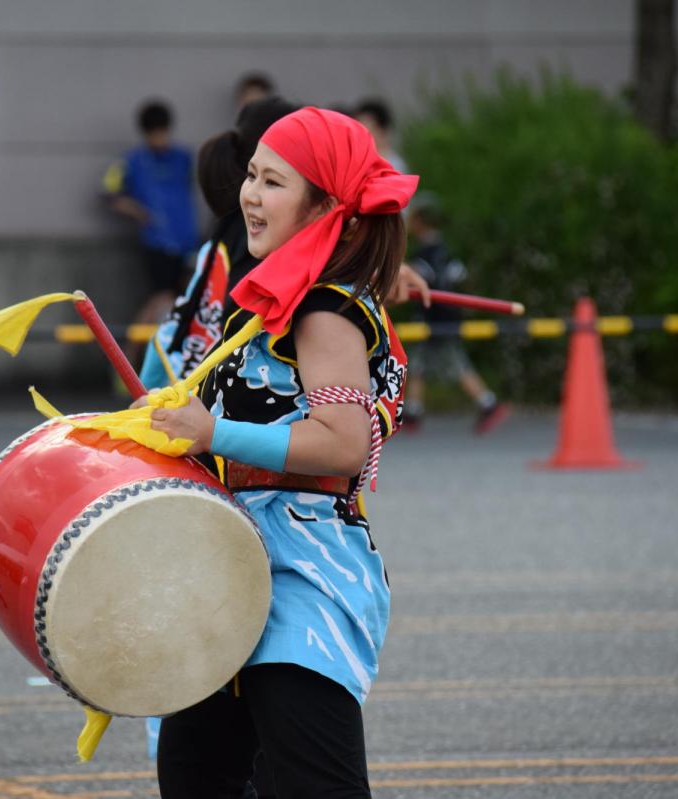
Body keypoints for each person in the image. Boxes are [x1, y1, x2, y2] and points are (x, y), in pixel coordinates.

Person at [146, 107, 416, 798]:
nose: (250, 195)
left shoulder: (324, 309)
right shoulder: (279, 297)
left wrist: (211, 434)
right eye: (251, 176)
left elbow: (344, 443)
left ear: (324, 207)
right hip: (233, 565)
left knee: (309, 785)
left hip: (300, 573)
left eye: (273, 183)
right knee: (197, 775)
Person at [139, 96, 299, 390]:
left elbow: (168, 341)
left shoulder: (224, 239)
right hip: (213, 406)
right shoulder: (264, 248)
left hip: (187, 398)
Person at [402, 193, 510, 433]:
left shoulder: (426, 255)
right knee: (418, 362)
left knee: (454, 363)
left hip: (436, 318)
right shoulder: (445, 251)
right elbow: (459, 277)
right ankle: (413, 410)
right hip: (445, 316)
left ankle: (488, 403)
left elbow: (419, 281)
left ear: (420, 221)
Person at [103, 100, 199, 366]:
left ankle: (168, 363)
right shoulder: (132, 161)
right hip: (156, 243)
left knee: (181, 302)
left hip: (187, 241)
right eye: (154, 133)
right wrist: (138, 212)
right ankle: (127, 358)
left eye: (162, 132)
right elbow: (109, 193)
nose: (159, 139)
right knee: (162, 298)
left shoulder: (184, 158)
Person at [353, 96, 408, 174]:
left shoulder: (394, 167)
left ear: (382, 130)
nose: (359, 137)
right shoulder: (359, 163)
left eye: (366, 130)